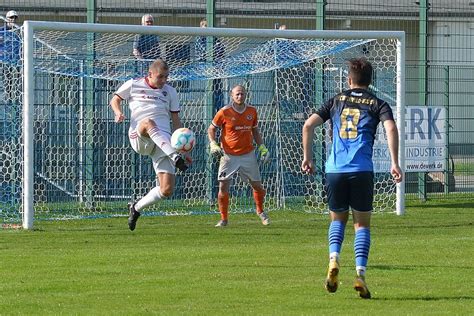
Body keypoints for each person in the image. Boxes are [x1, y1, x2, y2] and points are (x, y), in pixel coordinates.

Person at [301, 58, 403, 299]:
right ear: (371, 81)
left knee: (337, 220)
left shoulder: (336, 100)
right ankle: (360, 274)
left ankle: (334, 259)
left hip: (335, 170)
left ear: (349, 80)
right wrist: (395, 162)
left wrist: (308, 157)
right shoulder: (378, 104)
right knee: (361, 224)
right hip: (362, 170)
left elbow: (308, 125)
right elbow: (391, 128)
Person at [110, 59, 191, 231]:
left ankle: (136, 208)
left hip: (165, 141)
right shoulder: (133, 84)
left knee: (166, 189)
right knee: (148, 122)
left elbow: (176, 121)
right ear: (150, 74)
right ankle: (174, 157)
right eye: (160, 77)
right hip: (140, 136)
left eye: (166, 77)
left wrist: (182, 148)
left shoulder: (170, 91)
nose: (164, 80)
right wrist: (118, 113)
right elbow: (115, 100)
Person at [208, 84, 270, 227]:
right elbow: (211, 128)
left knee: (258, 187)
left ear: (246, 95)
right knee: (223, 187)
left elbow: (255, 131)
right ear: (232, 96)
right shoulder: (224, 112)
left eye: (242, 94)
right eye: (237, 94)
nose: (239, 96)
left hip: (248, 154)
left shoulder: (252, 111)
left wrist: (262, 148)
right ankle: (224, 219)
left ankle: (260, 211)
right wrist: (213, 143)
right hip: (228, 156)